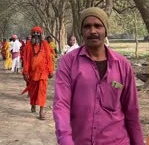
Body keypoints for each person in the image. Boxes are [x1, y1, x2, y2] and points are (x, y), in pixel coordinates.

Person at [53, 7, 144, 145]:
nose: (93, 31)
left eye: (98, 26)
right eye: (87, 26)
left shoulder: (123, 65)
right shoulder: (69, 62)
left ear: (105, 30)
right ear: (81, 31)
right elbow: (62, 104)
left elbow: (131, 110)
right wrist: (65, 139)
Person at [21, 26, 54, 120]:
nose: (36, 34)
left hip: (43, 72)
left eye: (38, 33)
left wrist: (51, 70)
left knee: (42, 91)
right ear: (32, 34)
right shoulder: (28, 45)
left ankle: (41, 111)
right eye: (34, 33)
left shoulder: (44, 44)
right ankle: (33, 104)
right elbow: (26, 59)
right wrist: (25, 72)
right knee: (33, 91)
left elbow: (48, 58)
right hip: (32, 73)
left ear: (41, 35)